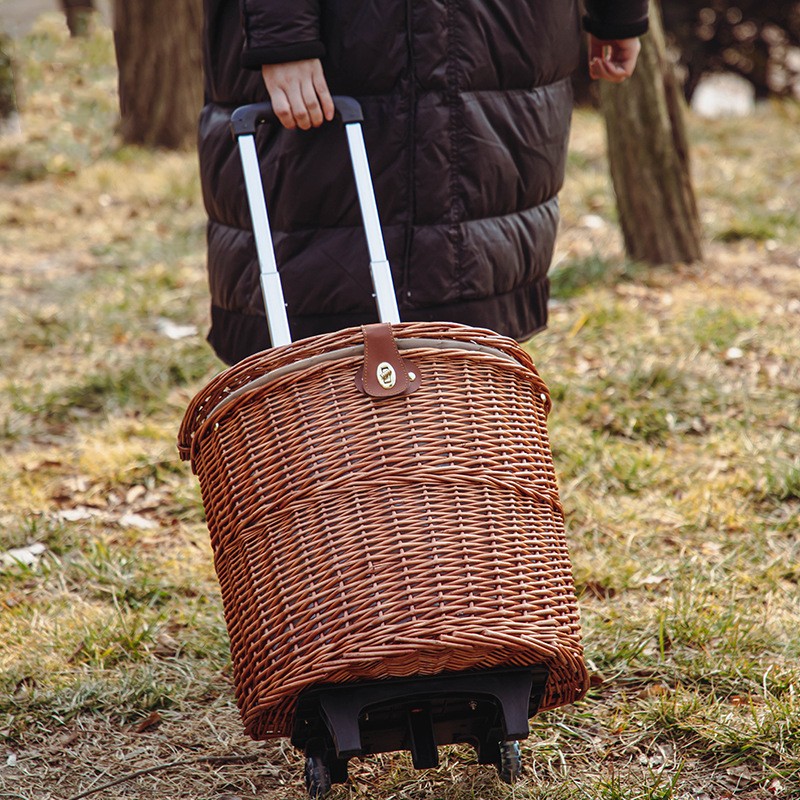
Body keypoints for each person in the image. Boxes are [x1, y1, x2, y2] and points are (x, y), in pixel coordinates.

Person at [199, 0, 649, 365]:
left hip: (500, 38)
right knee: (315, 310)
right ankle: (326, 470)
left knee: (470, 314)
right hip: (343, 43)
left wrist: (618, 12)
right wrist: (282, 33)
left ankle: (449, 471)